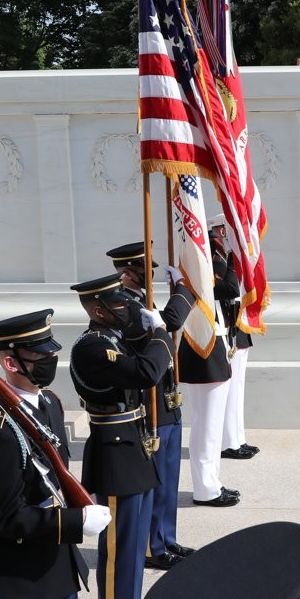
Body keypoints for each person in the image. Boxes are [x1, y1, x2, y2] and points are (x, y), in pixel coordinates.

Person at [0, 310, 112, 599]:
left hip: (59, 568)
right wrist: (75, 521)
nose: (50, 360)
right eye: (39, 355)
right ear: (11, 363)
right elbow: (7, 518)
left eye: (50, 352)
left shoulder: (50, 405)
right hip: (20, 579)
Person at [69, 274, 173, 599]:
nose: (127, 307)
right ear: (98, 310)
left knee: (132, 555)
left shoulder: (113, 337)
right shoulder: (93, 346)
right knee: (120, 557)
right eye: (118, 303)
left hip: (134, 448)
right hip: (116, 456)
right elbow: (147, 371)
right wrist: (160, 334)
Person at [105, 242, 197, 571]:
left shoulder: (143, 300)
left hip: (166, 398)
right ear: (128, 272)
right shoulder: (124, 305)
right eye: (147, 271)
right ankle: (150, 546)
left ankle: (166, 538)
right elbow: (170, 321)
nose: (152, 276)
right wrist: (184, 290)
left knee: (169, 476)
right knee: (156, 477)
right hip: (150, 402)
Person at [177, 224, 241, 507]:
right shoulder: (207, 261)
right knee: (207, 424)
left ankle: (211, 483)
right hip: (203, 346)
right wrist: (234, 264)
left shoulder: (212, 258)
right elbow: (228, 288)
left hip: (213, 343)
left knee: (211, 424)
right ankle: (205, 488)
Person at [205, 214, 260, 461]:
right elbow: (225, 289)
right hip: (227, 324)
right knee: (230, 389)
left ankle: (237, 438)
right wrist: (233, 262)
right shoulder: (215, 253)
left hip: (237, 323)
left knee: (237, 389)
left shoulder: (225, 254)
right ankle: (229, 442)